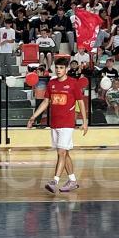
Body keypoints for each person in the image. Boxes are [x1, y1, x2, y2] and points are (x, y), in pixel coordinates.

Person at [27, 57, 88, 192]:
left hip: (67, 124)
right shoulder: (52, 83)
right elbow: (45, 102)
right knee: (64, 153)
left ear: (66, 69)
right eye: (57, 68)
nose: (59, 70)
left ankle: (54, 181)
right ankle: (72, 181)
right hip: (55, 124)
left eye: (61, 68)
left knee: (61, 152)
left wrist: (85, 122)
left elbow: (81, 102)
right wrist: (33, 117)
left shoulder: (73, 83)